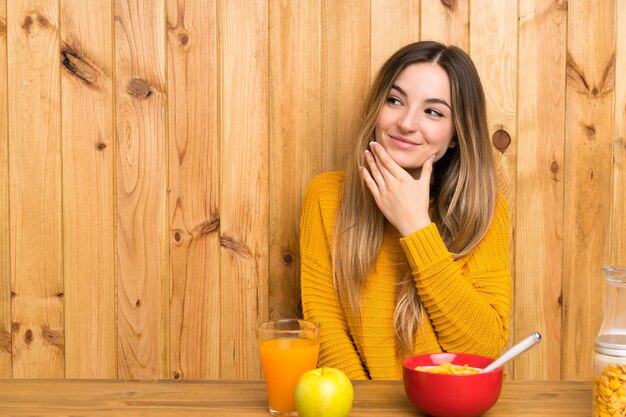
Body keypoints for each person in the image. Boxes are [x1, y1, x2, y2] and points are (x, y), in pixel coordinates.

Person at [299, 41, 512, 380]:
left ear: (456, 135)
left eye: (433, 111)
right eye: (395, 100)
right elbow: (326, 334)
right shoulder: (326, 197)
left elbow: (482, 350)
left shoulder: (484, 211)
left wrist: (415, 227)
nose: (406, 123)